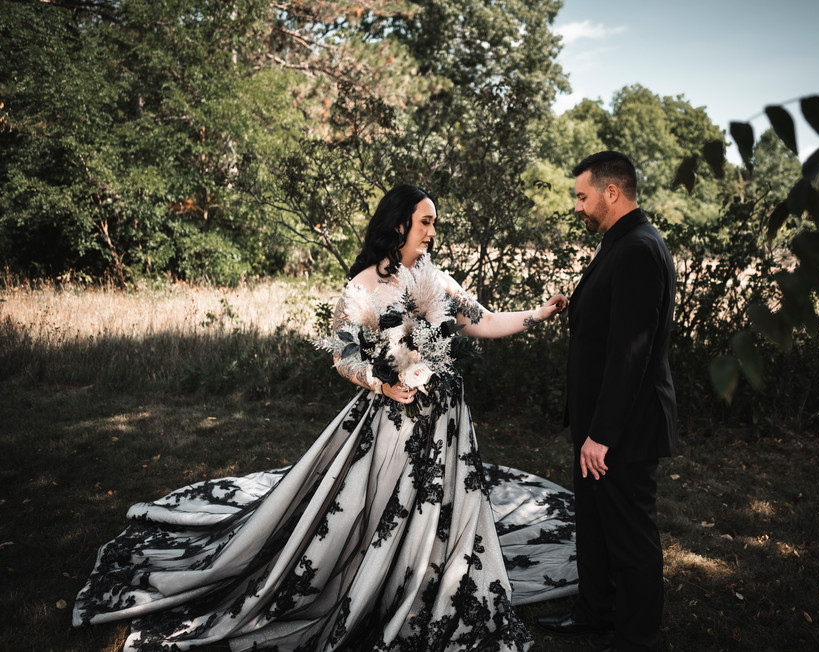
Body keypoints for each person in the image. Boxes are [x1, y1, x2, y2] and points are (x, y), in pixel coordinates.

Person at [72, 184, 577, 651]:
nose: (432, 232)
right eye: (426, 222)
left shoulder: (435, 279)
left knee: (443, 506)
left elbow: (484, 321)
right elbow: (342, 356)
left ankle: (430, 579)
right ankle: (376, 581)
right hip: (392, 418)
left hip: (446, 418)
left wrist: (540, 313)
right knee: (383, 505)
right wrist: (382, 382)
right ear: (401, 224)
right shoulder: (362, 286)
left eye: (434, 224)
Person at [536, 152, 678, 651]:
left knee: (630, 534)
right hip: (597, 423)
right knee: (595, 525)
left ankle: (637, 635)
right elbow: (612, 320)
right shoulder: (622, 242)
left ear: (611, 192)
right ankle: (595, 612)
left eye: (582, 196)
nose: (577, 206)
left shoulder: (639, 247)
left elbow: (631, 353)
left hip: (623, 428)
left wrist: (602, 435)